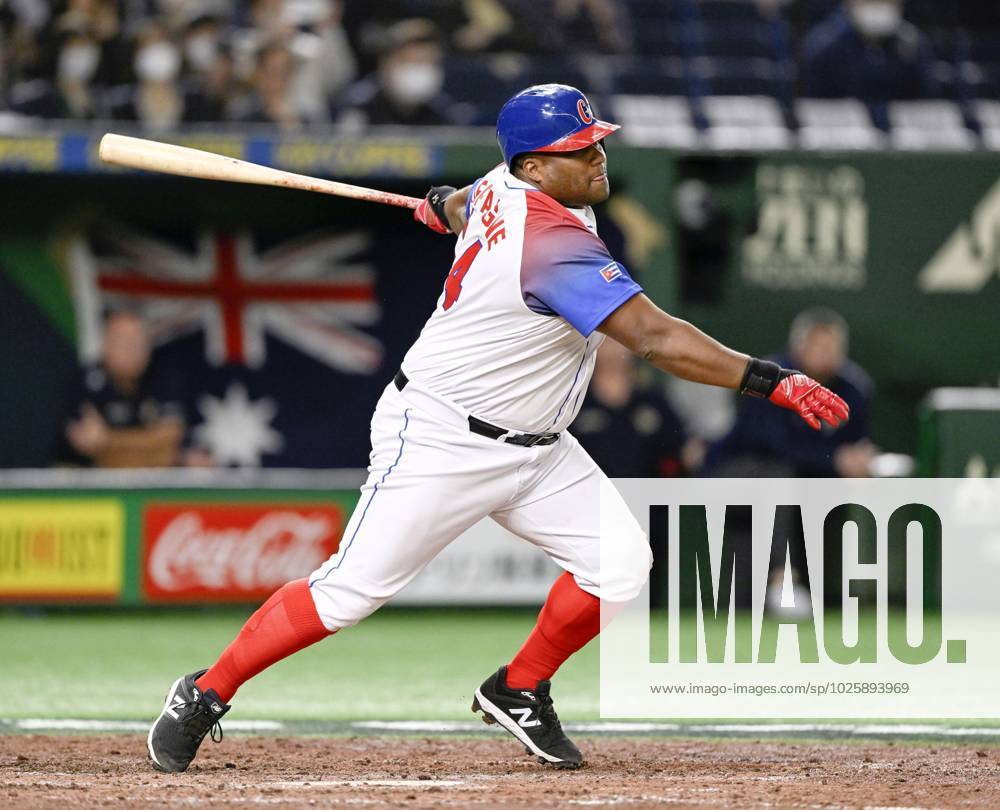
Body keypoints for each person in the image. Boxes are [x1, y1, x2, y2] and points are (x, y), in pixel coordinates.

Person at [146, 84, 849, 773]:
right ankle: (205, 692)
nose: (598, 157)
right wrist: (771, 379)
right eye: (579, 150)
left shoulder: (504, 185)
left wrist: (440, 208)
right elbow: (654, 339)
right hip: (442, 436)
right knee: (347, 593)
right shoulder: (547, 240)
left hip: (538, 448)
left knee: (622, 565)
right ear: (534, 168)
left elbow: (462, 202)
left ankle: (519, 686)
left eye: (597, 142)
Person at [705, 307, 873, 479]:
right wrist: (833, 459)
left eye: (832, 347)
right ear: (799, 347)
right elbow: (773, 446)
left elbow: (856, 442)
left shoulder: (854, 387)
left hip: (810, 476)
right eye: (819, 346)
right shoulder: (770, 379)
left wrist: (856, 458)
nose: (826, 354)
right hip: (743, 469)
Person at [54, 310, 187, 468]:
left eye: (138, 341)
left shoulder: (161, 375)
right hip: (87, 484)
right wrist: (148, 446)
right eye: (123, 342)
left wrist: (110, 440)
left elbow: (169, 443)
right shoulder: (84, 381)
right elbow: (92, 451)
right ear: (105, 345)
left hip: (150, 484)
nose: (132, 350)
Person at [801, 0, 937, 127]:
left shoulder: (911, 44)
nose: (877, 5)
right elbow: (815, 104)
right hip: (838, 133)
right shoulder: (825, 44)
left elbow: (924, 103)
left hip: (904, 135)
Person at [572, 338, 696, 477]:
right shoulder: (575, 403)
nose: (613, 348)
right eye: (605, 341)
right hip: (592, 494)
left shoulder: (653, 401)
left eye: (617, 339)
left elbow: (681, 453)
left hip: (647, 494)